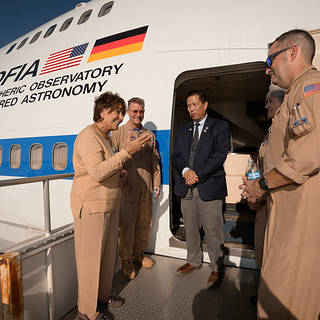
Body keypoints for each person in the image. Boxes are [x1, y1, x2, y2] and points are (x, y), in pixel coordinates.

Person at [240, 29, 320, 319]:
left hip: (298, 219)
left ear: (293, 53)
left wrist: (261, 184)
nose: (267, 67)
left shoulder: (310, 88)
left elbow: (308, 152)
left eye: (270, 58)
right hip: (284, 211)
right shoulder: (294, 95)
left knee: (283, 301)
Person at [70, 92, 151, 320]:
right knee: (89, 262)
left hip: (108, 203)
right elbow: (96, 172)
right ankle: (86, 311)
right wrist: (128, 153)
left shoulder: (104, 136)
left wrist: (120, 174)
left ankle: (103, 298)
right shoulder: (89, 136)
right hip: (92, 205)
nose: (120, 116)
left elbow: (107, 167)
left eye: (121, 112)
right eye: (117, 111)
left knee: (106, 259)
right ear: (102, 112)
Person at [172, 90, 230, 287]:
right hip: (186, 186)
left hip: (209, 185)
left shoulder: (220, 126)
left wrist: (197, 174)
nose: (191, 109)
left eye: (195, 104)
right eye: (188, 105)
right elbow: (177, 155)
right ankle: (194, 261)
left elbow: (221, 154)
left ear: (205, 105)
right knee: (190, 227)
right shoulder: (183, 129)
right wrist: (186, 171)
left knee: (213, 229)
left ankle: (216, 267)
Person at [111, 97, 161, 280]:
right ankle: (126, 260)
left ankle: (139, 255)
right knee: (127, 226)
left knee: (144, 223)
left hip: (146, 185)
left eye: (141, 112)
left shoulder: (149, 135)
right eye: (135, 111)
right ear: (128, 112)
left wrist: (156, 182)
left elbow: (155, 161)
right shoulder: (118, 133)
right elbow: (110, 160)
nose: (138, 115)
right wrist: (119, 177)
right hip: (128, 185)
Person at [249, 88, 285, 306]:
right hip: (265, 200)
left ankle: (273, 301)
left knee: (276, 254)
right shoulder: (269, 133)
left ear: (281, 102)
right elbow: (262, 166)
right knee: (261, 248)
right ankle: (264, 293)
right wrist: (253, 189)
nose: (266, 106)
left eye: (269, 101)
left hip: (278, 200)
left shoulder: (285, 128)